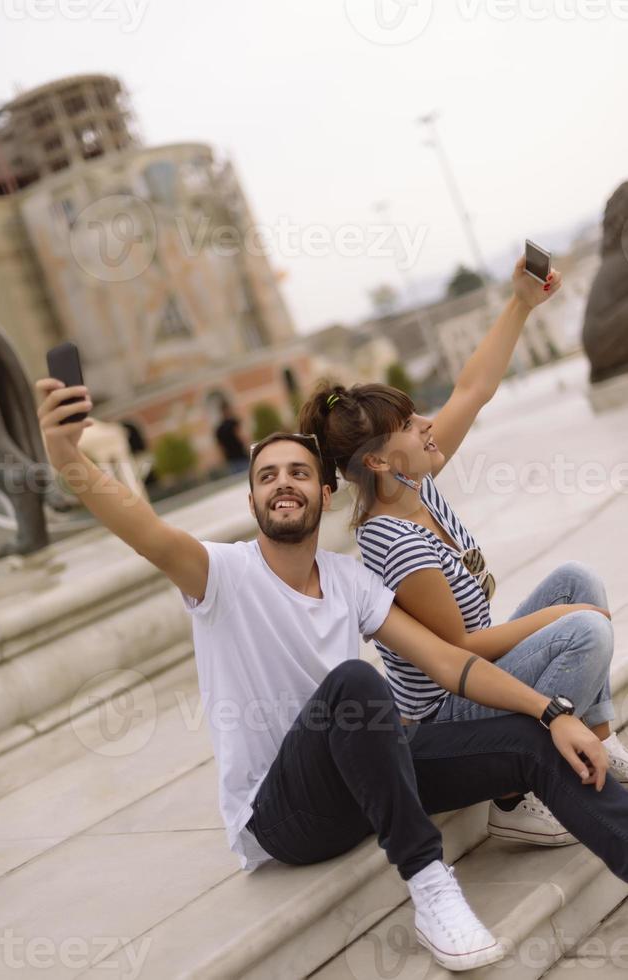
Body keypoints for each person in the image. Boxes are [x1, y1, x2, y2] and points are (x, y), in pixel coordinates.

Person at [34, 378, 628, 974]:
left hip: (367, 779)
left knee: (529, 738)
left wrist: (552, 714)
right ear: (253, 503)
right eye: (267, 476)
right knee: (356, 683)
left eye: (297, 472)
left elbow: (452, 663)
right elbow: (141, 525)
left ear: (324, 491)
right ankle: (430, 886)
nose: (283, 483)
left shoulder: (349, 580)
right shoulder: (222, 576)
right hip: (287, 814)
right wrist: (66, 457)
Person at [299, 256, 628, 848]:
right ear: (376, 460)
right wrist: (560, 621)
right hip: (452, 710)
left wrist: (521, 302)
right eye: (408, 423)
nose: (426, 424)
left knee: (576, 579)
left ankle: (599, 740)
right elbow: (462, 651)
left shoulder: (414, 483)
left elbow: (472, 389)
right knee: (585, 631)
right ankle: (511, 796)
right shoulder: (391, 542)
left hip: (476, 675)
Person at [214, 400, 249, 474]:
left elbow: (220, 448)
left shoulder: (219, 429)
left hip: (231, 460)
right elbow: (242, 437)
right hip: (241, 456)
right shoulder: (234, 423)